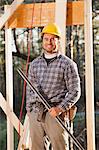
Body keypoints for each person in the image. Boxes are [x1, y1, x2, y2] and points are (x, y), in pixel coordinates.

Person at [26, 23, 81, 150]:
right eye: (46, 39)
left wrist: (60, 108)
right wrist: (30, 112)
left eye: (52, 39)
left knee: (60, 147)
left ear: (58, 40)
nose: (49, 42)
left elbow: (75, 91)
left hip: (55, 114)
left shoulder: (68, 64)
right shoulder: (34, 64)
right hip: (36, 114)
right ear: (42, 40)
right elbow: (30, 90)